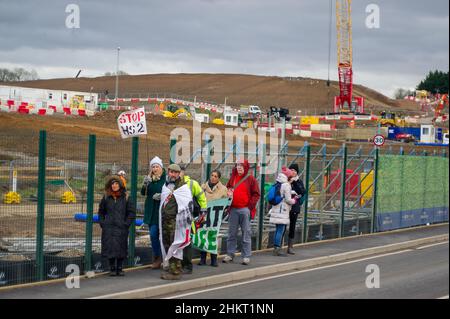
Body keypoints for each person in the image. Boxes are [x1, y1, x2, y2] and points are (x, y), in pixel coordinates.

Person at [159, 164, 193, 280]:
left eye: (175, 172)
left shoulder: (183, 187)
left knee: (175, 245)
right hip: (165, 220)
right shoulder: (166, 185)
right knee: (167, 244)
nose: (172, 174)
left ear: (179, 174)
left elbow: (187, 204)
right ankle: (171, 267)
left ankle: (176, 272)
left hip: (176, 221)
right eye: (171, 172)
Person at [223, 159, 260, 265]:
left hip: (245, 209)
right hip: (233, 209)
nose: (239, 167)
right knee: (231, 233)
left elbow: (256, 194)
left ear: (245, 167)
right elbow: (228, 189)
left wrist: (249, 207)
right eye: (238, 165)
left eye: (241, 165)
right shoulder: (233, 178)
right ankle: (230, 254)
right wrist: (228, 196)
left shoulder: (250, 179)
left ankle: (246, 256)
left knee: (246, 233)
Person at [98, 175, 136, 276]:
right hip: (108, 227)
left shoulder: (126, 197)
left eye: (116, 184)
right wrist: (103, 223)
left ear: (120, 185)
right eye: (112, 184)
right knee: (109, 246)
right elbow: (101, 212)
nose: (114, 186)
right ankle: (112, 268)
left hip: (121, 227)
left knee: (121, 246)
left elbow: (131, 213)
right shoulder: (106, 197)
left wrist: (126, 224)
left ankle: (119, 268)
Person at [180, 165, 207, 274]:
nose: (177, 174)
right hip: (175, 218)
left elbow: (201, 196)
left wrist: (203, 211)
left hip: (187, 218)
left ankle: (187, 266)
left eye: (179, 171)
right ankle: (178, 265)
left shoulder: (192, 183)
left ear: (183, 172)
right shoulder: (171, 183)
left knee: (186, 243)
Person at [141, 156, 166, 270]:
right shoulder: (150, 178)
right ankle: (157, 257)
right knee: (153, 234)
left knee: (164, 236)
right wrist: (145, 184)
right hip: (152, 211)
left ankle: (166, 257)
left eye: (157, 166)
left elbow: (171, 191)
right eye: (153, 167)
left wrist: (162, 196)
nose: (155, 169)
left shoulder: (166, 179)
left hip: (162, 211)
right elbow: (143, 193)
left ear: (161, 168)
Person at [199, 170, 228, 267]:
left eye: (215, 176)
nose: (213, 177)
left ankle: (213, 259)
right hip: (204, 216)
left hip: (215, 217)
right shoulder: (203, 187)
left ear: (218, 178)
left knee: (212, 236)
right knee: (203, 235)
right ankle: (202, 259)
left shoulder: (223, 189)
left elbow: (226, 203)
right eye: (212, 175)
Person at [268, 167, 296, 257]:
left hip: (276, 209)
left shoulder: (278, 183)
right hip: (282, 210)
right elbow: (288, 199)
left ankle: (276, 248)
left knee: (277, 229)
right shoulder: (286, 185)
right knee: (281, 229)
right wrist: (294, 200)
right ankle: (277, 249)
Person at [287, 163, 306, 255]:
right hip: (285, 207)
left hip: (294, 207)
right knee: (282, 226)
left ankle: (290, 247)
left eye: (294, 170)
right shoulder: (285, 180)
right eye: (291, 170)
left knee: (292, 227)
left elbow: (302, 191)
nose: (293, 172)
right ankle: (278, 246)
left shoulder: (299, 181)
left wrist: (294, 182)